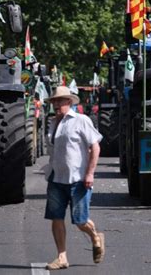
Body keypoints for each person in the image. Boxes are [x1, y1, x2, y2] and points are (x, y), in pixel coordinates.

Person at [44, 86, 104, 270]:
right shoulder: (53, 123)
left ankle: (95, 236)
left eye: (60, 101)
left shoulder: (81, 120)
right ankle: (62, 257)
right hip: (56, 178)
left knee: (80, 220)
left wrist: (90, 173)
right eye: (54, 101)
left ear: (69, 102)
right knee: (56, 217)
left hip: (78, 179)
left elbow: (95, 147)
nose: (56, 104)